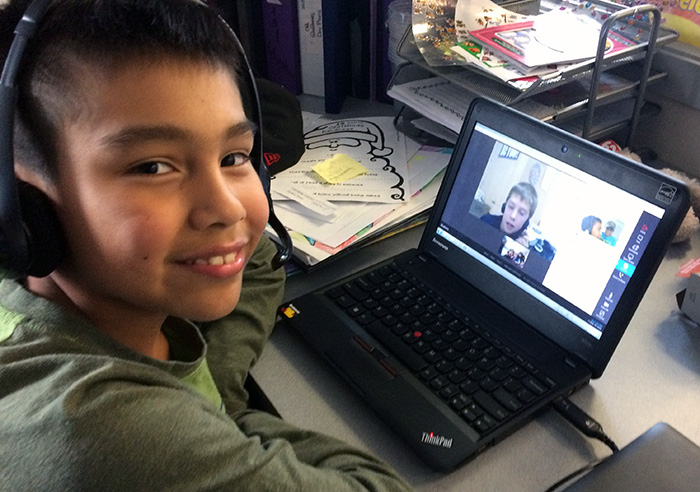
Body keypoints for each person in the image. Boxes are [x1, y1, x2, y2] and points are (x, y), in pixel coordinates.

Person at [0, 1, 412, 490]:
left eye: (234, 156)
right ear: (24, 207)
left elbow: (256, 253)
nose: (229, 208)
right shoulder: (116, 434)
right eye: (153, 167)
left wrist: (212, 380)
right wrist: (222, 415)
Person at [481, 181, 538, 246]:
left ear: (527, 220)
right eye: (511, 207)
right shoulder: (486, 221)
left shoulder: (522, 244)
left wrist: (518, 250)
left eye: (521, 213)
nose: (513, 216)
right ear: (504, 206)